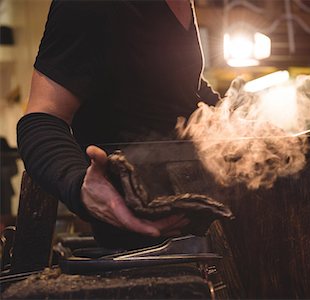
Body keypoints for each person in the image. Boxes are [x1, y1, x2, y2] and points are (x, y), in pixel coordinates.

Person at [16, 0, 220, 248]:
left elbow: (181, 94)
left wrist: (246, 120)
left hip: (206, 232)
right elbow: (42, 118)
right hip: (139, 248)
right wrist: (78, 185)